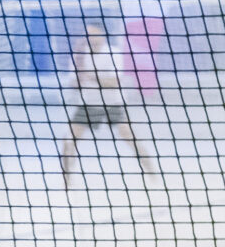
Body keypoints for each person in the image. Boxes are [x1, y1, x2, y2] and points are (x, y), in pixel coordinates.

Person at [57, 23, 157, 189]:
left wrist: (91, 76)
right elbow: (74, 83)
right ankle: (66, 182)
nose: (92, 39)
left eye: (95, 35)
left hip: (113, 103)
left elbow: (113, 82)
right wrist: (79, 71)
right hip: (88, 104)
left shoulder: (113, 53)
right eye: (89, 36)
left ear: (102, 36)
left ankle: (152, 173)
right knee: (68, 140)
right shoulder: (80, 56)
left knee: (130, 138)